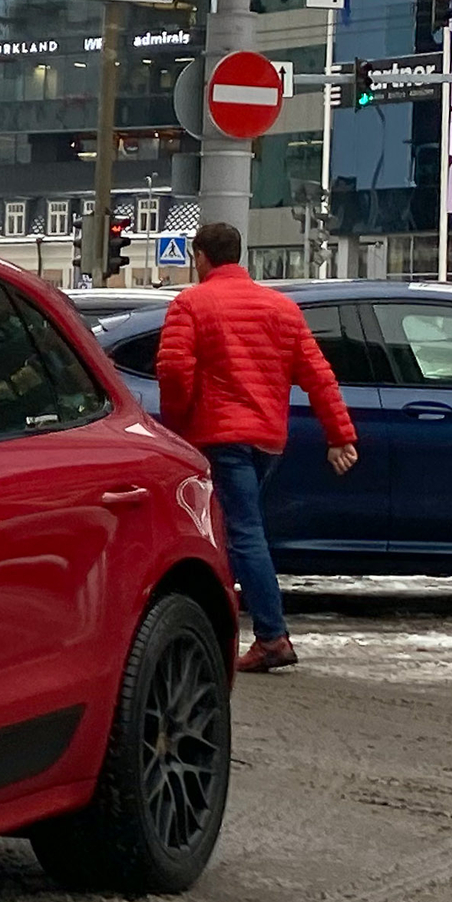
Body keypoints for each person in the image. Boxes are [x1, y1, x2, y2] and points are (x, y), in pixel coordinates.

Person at [153, 223, 356, 673]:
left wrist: (176, 425)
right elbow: (318, 374)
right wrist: (339, 434)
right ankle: (232, 624)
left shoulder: (191, 303)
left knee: (242, 532)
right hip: (267, 439)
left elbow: (173, 371)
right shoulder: (281, 308)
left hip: (218, 435)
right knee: (233, 530)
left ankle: (271, 636)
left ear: (201, 256)